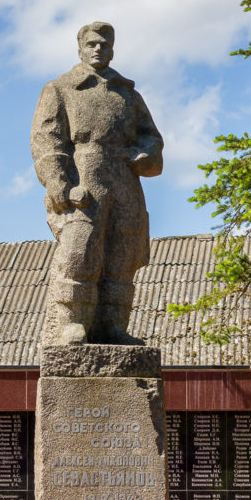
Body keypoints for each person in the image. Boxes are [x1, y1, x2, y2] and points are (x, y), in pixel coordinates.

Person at [31, 22, 163, 346]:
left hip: (124, 180)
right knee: (80, 252)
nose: (97, 50)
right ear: (79, 48)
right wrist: (60, 185)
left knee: (123, 254)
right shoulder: (61, 89)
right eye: (91, 44)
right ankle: (72, 322)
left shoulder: (128, 95)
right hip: (85, 180)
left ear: (113, 48)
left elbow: (151, 137)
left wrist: (147, 155)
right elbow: (47, 140)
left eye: (104, 44)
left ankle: (112, 325)